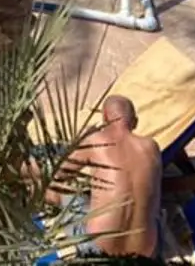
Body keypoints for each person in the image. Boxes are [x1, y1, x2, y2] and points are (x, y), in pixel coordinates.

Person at [62, 96, 162, 260]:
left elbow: (60, 173)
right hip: (146, 253)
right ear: (135, 122)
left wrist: (81, 141)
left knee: (61, 191)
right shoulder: (151, 146)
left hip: (98, 250)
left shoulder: (95, 140)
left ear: (104, 118)